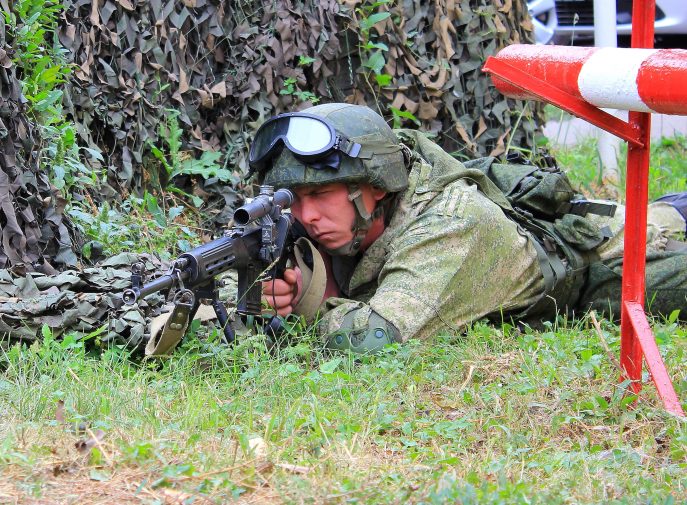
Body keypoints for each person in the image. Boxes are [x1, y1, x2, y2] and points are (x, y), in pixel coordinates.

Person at [253, 103, 687, 355]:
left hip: (606, 251)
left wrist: (315, 303)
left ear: (375, 186)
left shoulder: (448, 224)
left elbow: (376, 342)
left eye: (321, 194)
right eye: (294, 195)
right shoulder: (318, 214)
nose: (304, 215)